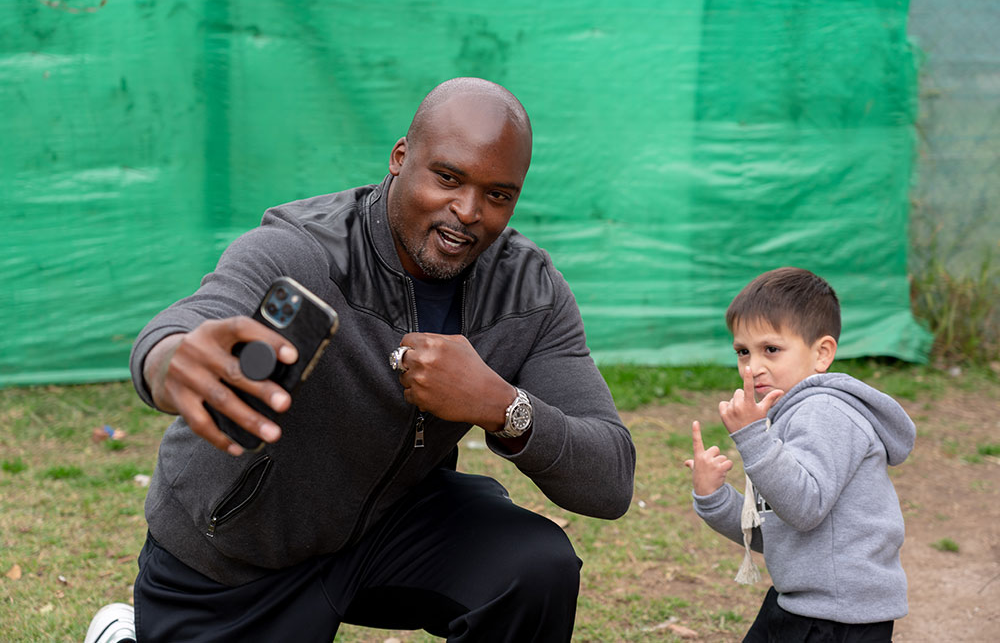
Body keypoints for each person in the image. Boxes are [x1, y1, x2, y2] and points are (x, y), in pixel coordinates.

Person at [86, 77, 636, 643]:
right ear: (400, 158)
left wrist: (502, 407)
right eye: (447, 177)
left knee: (534, 567)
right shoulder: (305, 251)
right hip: (238, 552)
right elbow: (192, 321)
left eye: (498, 194)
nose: (468, 211)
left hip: (391, 529)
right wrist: (170, 360)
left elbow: (611, 479)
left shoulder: (529, 291)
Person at [684, 267, 914, 642]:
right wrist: (713, 498)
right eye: (743, 351)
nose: (752, 366)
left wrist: (752, 438)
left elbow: (804, 509)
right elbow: (777, 534)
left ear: (822, 353)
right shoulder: (786, 416)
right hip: (799, 603)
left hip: (838, 618)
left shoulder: (825, 412)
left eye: (770, 349)